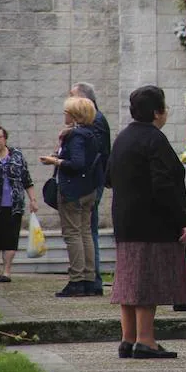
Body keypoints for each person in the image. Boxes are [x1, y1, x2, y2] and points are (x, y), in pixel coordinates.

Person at [108, 86, 186, 359]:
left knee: (129, 281)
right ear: (158, 112)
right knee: (146, 282)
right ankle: (146, 340)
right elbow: (164, 184)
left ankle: (128, 338)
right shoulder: (154, 140)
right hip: (152, 223)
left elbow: (109, 177)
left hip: (125, 221)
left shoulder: (122, 138)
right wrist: (181, 220)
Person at [40, 97, 100, 297]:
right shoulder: (91, 133)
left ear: (74, 115)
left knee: (73, 235)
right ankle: (89, 279)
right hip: (88, 190)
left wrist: (54, 161)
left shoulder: (76, 136)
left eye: (66, 112)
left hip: (72, 191)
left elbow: (76, 163)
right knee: (84, 233)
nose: (64, 115)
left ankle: (76, 280)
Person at [69, 82, 111, 296]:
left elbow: (96, 155)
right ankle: (90, 278)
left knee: (87, 229)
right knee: (86, 229)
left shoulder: (95, 120)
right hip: (90, 181)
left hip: (89, 183)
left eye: (73, 97)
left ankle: (91, 278)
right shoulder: (91, 120)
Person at [0, 126, 39, 282]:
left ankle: (7, 271)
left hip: (13, 205)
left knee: (10, 239)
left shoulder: (16, 155)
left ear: (5, 138)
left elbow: (27, 179)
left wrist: (33, 199)